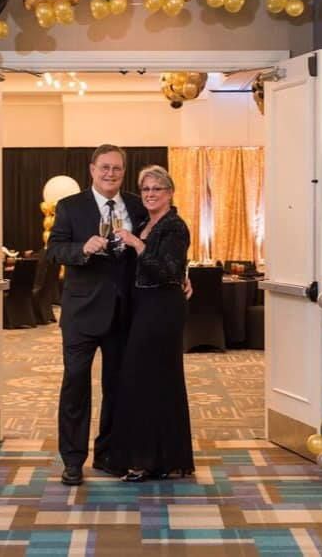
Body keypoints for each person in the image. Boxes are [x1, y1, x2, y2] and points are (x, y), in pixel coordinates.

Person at [46, 144, 146, 486]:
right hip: (81, 314)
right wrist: (81, 249)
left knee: (117, 388)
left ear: (123, 171)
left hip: (124, 314)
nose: (110, 174)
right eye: (104, 167)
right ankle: (72, 461)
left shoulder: (136, 204)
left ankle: (109, 455)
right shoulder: (69, 207)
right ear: (92, 169)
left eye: (117, 168)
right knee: (75, 385)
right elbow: (54, 250)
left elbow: (155, 246)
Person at [110, 165, 195, 481]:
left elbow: (169, 271)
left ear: (170, 192)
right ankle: (153, 457)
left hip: (162, 310)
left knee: (152, 382)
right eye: (145, 189)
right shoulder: (146, 222)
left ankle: (150, 460)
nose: (150, 194)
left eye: (157, 189)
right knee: (143, 382)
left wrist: (137, 244)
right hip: (144, 307)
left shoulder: (174, 226)